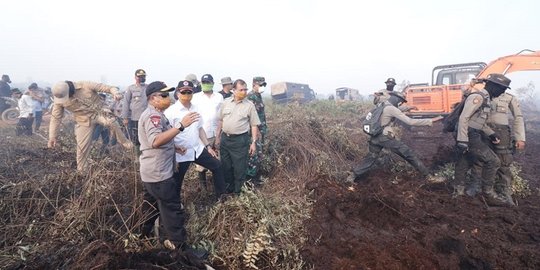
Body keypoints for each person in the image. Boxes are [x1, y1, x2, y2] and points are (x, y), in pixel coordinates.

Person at [138, 81, 206, 258]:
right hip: (159, 174)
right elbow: (155, 141)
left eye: (168, 95)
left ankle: (139, 238)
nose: (168, 98)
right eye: (164, 95)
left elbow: (155, 140)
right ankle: (180, 248)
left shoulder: (158, 114)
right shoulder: (154, 117)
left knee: (150, 208)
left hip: (151, 173)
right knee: (172, 209)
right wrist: (180, 126)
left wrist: (175, 148)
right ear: (153, 98)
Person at [347, 92, 444, 182]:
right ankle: (428, 176)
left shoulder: (382, 104)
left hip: (374, 137)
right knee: (408, 153)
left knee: (371, 158)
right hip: (385, 138)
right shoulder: (391, 109)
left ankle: (353, 176)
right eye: (401, 102)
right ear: (397, 100)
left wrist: (408, 108)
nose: (401, 104)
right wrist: (431, 121)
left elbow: (396, 109)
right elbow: (410, 121)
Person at [48, 80, 133, 171]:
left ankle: (125, 142)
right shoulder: (59, 99)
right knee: (81, 150)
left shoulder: (86, 85)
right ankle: (82, 172)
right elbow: (55, 119)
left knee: (111, 122)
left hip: (99, 112)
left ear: (70, 89)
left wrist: (116, 93)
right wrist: (52, 137)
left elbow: (110, 88)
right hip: (83, 121)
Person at [454, 73, 511, 205]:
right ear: (493, 86)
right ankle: (489, 195)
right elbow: (464, 118)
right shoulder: (478, 97)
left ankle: (459, 192)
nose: (502, 92)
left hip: (472, 132)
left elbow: (478, 121)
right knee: (494, 161)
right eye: (501, 89)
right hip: (468, 133)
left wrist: (491, 133)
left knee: (464, 161)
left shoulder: (486, 98)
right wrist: (463, 140)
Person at [165, 80, 226, 199]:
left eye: (189, 92)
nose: (187, 95)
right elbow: (167, 134)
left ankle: (221, 197)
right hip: (181, 153)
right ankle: (177, 207)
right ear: (178, 93)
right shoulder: (171, 112)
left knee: (217, 166)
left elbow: (200, 128)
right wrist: (173, 149)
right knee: (177, 182)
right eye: (184, 92)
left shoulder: (196, 108)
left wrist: (208, 146)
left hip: (197, 149)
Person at [215, 79, 261, 193]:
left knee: (239, 169)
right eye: (241, 90)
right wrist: (217, 137)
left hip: (240, 141)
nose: (244, 92)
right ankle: (228, 191)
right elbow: (220, 120)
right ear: (234, 90)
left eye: (245, 89)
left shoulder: (249, 105)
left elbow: (254, 125)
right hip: (225, 139)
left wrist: (254, 142)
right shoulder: (225, 102)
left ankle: (238, 193)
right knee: (226, 167)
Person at [191, 74, 224, 191]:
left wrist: (219, 135)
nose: (206, 84)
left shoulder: (219, 97)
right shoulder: (195, 97)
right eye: (204, 82)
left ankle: (218, 188)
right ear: (201, 83)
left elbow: (221, 116)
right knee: (201, 165)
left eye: (208, 82)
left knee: (217, 162)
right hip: (201, 134)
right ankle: (204, 188)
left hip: (216, 133)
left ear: (212, 83)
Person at [246, 76, 268, 184]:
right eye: (260, 85)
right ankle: (250, 180)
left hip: (261, 130)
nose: (262, 87)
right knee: (253, 155)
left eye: (264, 85)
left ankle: (256, 177)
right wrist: (256, 131)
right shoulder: (250, 97)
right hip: (254, 132)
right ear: (254, 84)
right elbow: (250, 117)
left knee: (259, 155)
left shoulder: (258, 96)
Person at [121, 69, 148, 146]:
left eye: (143, 76)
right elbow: (126, 102)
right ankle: (137, 155)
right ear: (135, 77)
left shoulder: (148, 87)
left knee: (146, 137)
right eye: (140, 76)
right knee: (136, 139)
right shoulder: (131, 88)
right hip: (135, 118)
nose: (142, 78)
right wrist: (125, 117)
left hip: (146, 117)